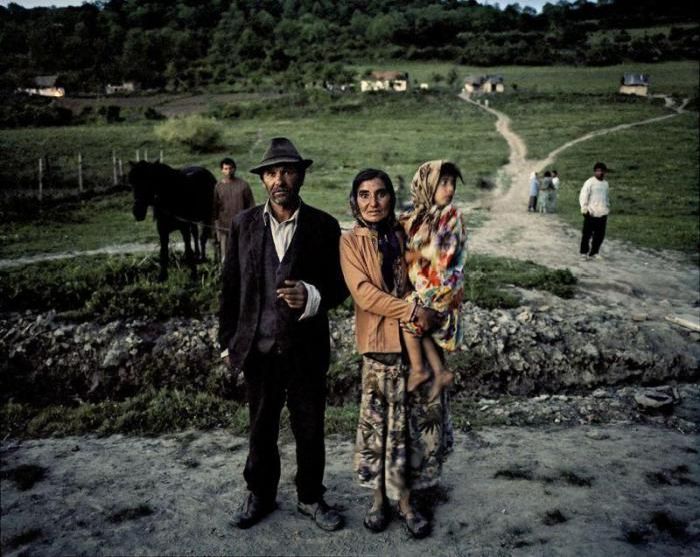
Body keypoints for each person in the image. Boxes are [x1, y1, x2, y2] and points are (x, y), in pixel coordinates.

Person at [218, 137, 348, 531]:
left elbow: (340, 284)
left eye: (288, 171)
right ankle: (260, 493)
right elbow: (230, 288)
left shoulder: (324, 226)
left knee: (309, 426)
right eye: (272, 173)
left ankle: (310, 497)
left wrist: (311, 294)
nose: (280, 180)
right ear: (262, 180)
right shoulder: (243, 225)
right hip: (259, 348)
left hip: (305, 349)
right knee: (261, 425)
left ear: (301, 176)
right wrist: (228, 341)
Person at [339, 168, 453, 538]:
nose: (373, 202)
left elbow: (428, 268)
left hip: (413, 343)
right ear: (354, 200)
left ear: (392, 197)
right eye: (364, 195)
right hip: (378, 347)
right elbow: (363, 293)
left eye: (381, 194)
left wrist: (432, 305)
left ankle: (406, 502)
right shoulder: (350, 242)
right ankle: (377, 500)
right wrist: (411, 310)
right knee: (378, 428)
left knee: (408, 430)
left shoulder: (404, 233)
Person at [399, 160, 467, 403]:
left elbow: (442, 252)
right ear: (427, 186)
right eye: (443, 183)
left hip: (441, 288)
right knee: (420, 324)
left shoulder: (452, 215)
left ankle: (419, 369)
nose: (449, 189)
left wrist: (413, 255)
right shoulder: (423, 215)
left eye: (452, 183)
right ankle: (439, 371)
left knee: (410, 316)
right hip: (429, 286)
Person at [212, 157, 255, 262]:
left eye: (230, 168)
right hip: (224, 229)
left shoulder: (243, 185)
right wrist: (216, 229)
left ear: (234, 169)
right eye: (225, 169)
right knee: (225, 258)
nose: (228, 171)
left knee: (241, 256)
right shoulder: (218, 187)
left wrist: (250, 226)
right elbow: (215, 210)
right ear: (222, 170)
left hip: (241, 228)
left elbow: (251, 207)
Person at [579, 162, 610, 260]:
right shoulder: (590, 182)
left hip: (602, 213)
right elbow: (583, 195)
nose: (600, 173)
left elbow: (606, 197)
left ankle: (594, 252)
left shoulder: (605, 184)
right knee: (587, 234)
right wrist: (584, 208)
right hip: (591, 212)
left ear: (605, 172)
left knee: (600, 235)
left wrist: (607, 207)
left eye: (602, 171)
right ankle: (584, 253)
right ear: (595, 172)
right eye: (598, 171)